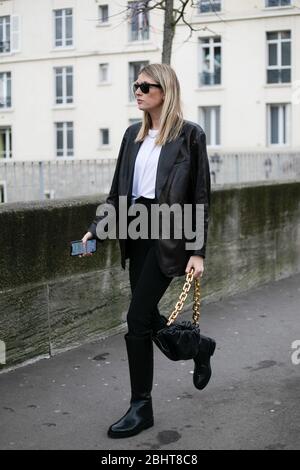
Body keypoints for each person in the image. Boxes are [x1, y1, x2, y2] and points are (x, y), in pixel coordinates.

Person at [80, 63, 216, 439]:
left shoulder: (190, 136)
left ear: (164, 90)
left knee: (136, 318)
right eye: (135, 84)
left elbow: (200, 198)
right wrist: (96, 230)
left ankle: (141, 406)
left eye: (144, 85)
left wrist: (198, 251)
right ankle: (199, 346)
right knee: (147, 318)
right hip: (135, 233)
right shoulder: (131, 136)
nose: (137, 90)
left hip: (168, 234)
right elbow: (117, 193)